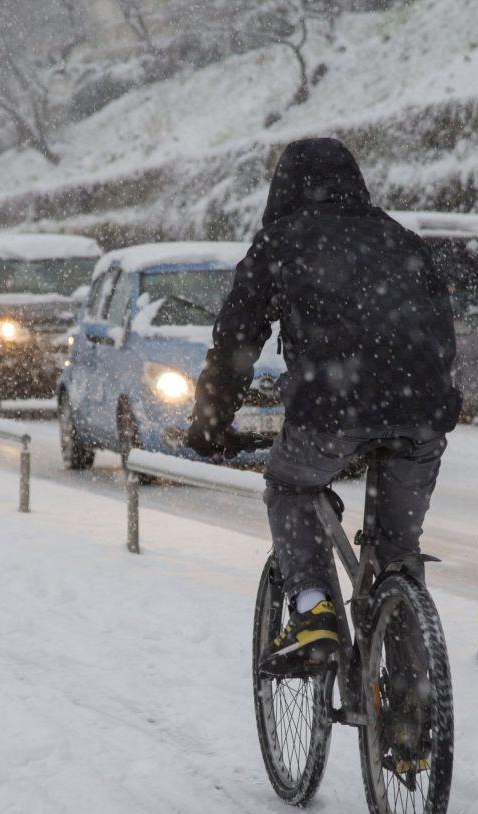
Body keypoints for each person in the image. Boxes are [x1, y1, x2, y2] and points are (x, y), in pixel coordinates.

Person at [186, 137, 461, 667]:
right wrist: (433, 399)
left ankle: (313, 611)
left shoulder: (280, 243)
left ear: (282, 189)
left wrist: (212, 423)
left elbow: (236, 346)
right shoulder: (401, 238)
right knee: (398, 551)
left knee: (289, 486)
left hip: (333, 411)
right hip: (422, 414)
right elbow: (441, 335)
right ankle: (409, 719)